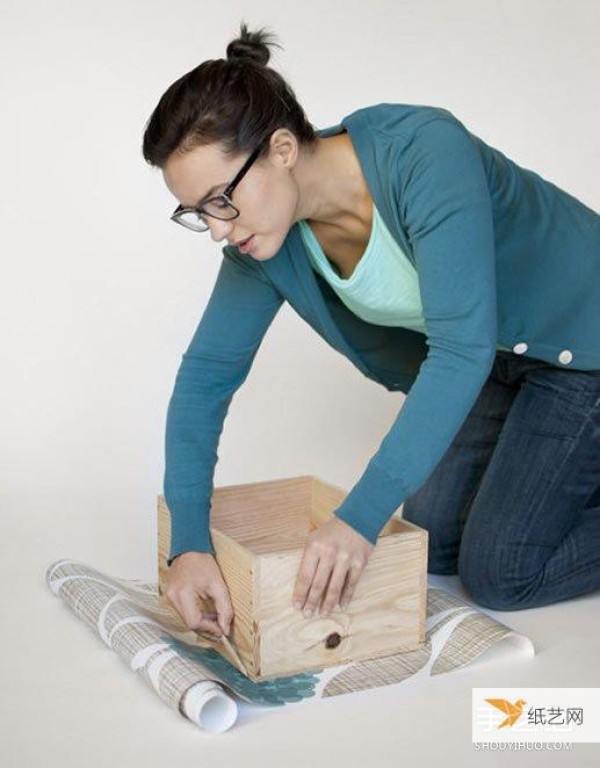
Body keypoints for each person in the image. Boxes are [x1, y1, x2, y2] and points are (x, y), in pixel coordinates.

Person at [142, 22, 600, 640]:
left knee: (501, 574)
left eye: (221, 198)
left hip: (582, 342)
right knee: (433, 548)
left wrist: (355, 520)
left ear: (280, 149)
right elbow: (207, 377)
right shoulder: (266, 244)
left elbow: (458, 348)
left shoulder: (423, 153)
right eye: (198, 213)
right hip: (499, 361)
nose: (219, 228)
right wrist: (188, 546)